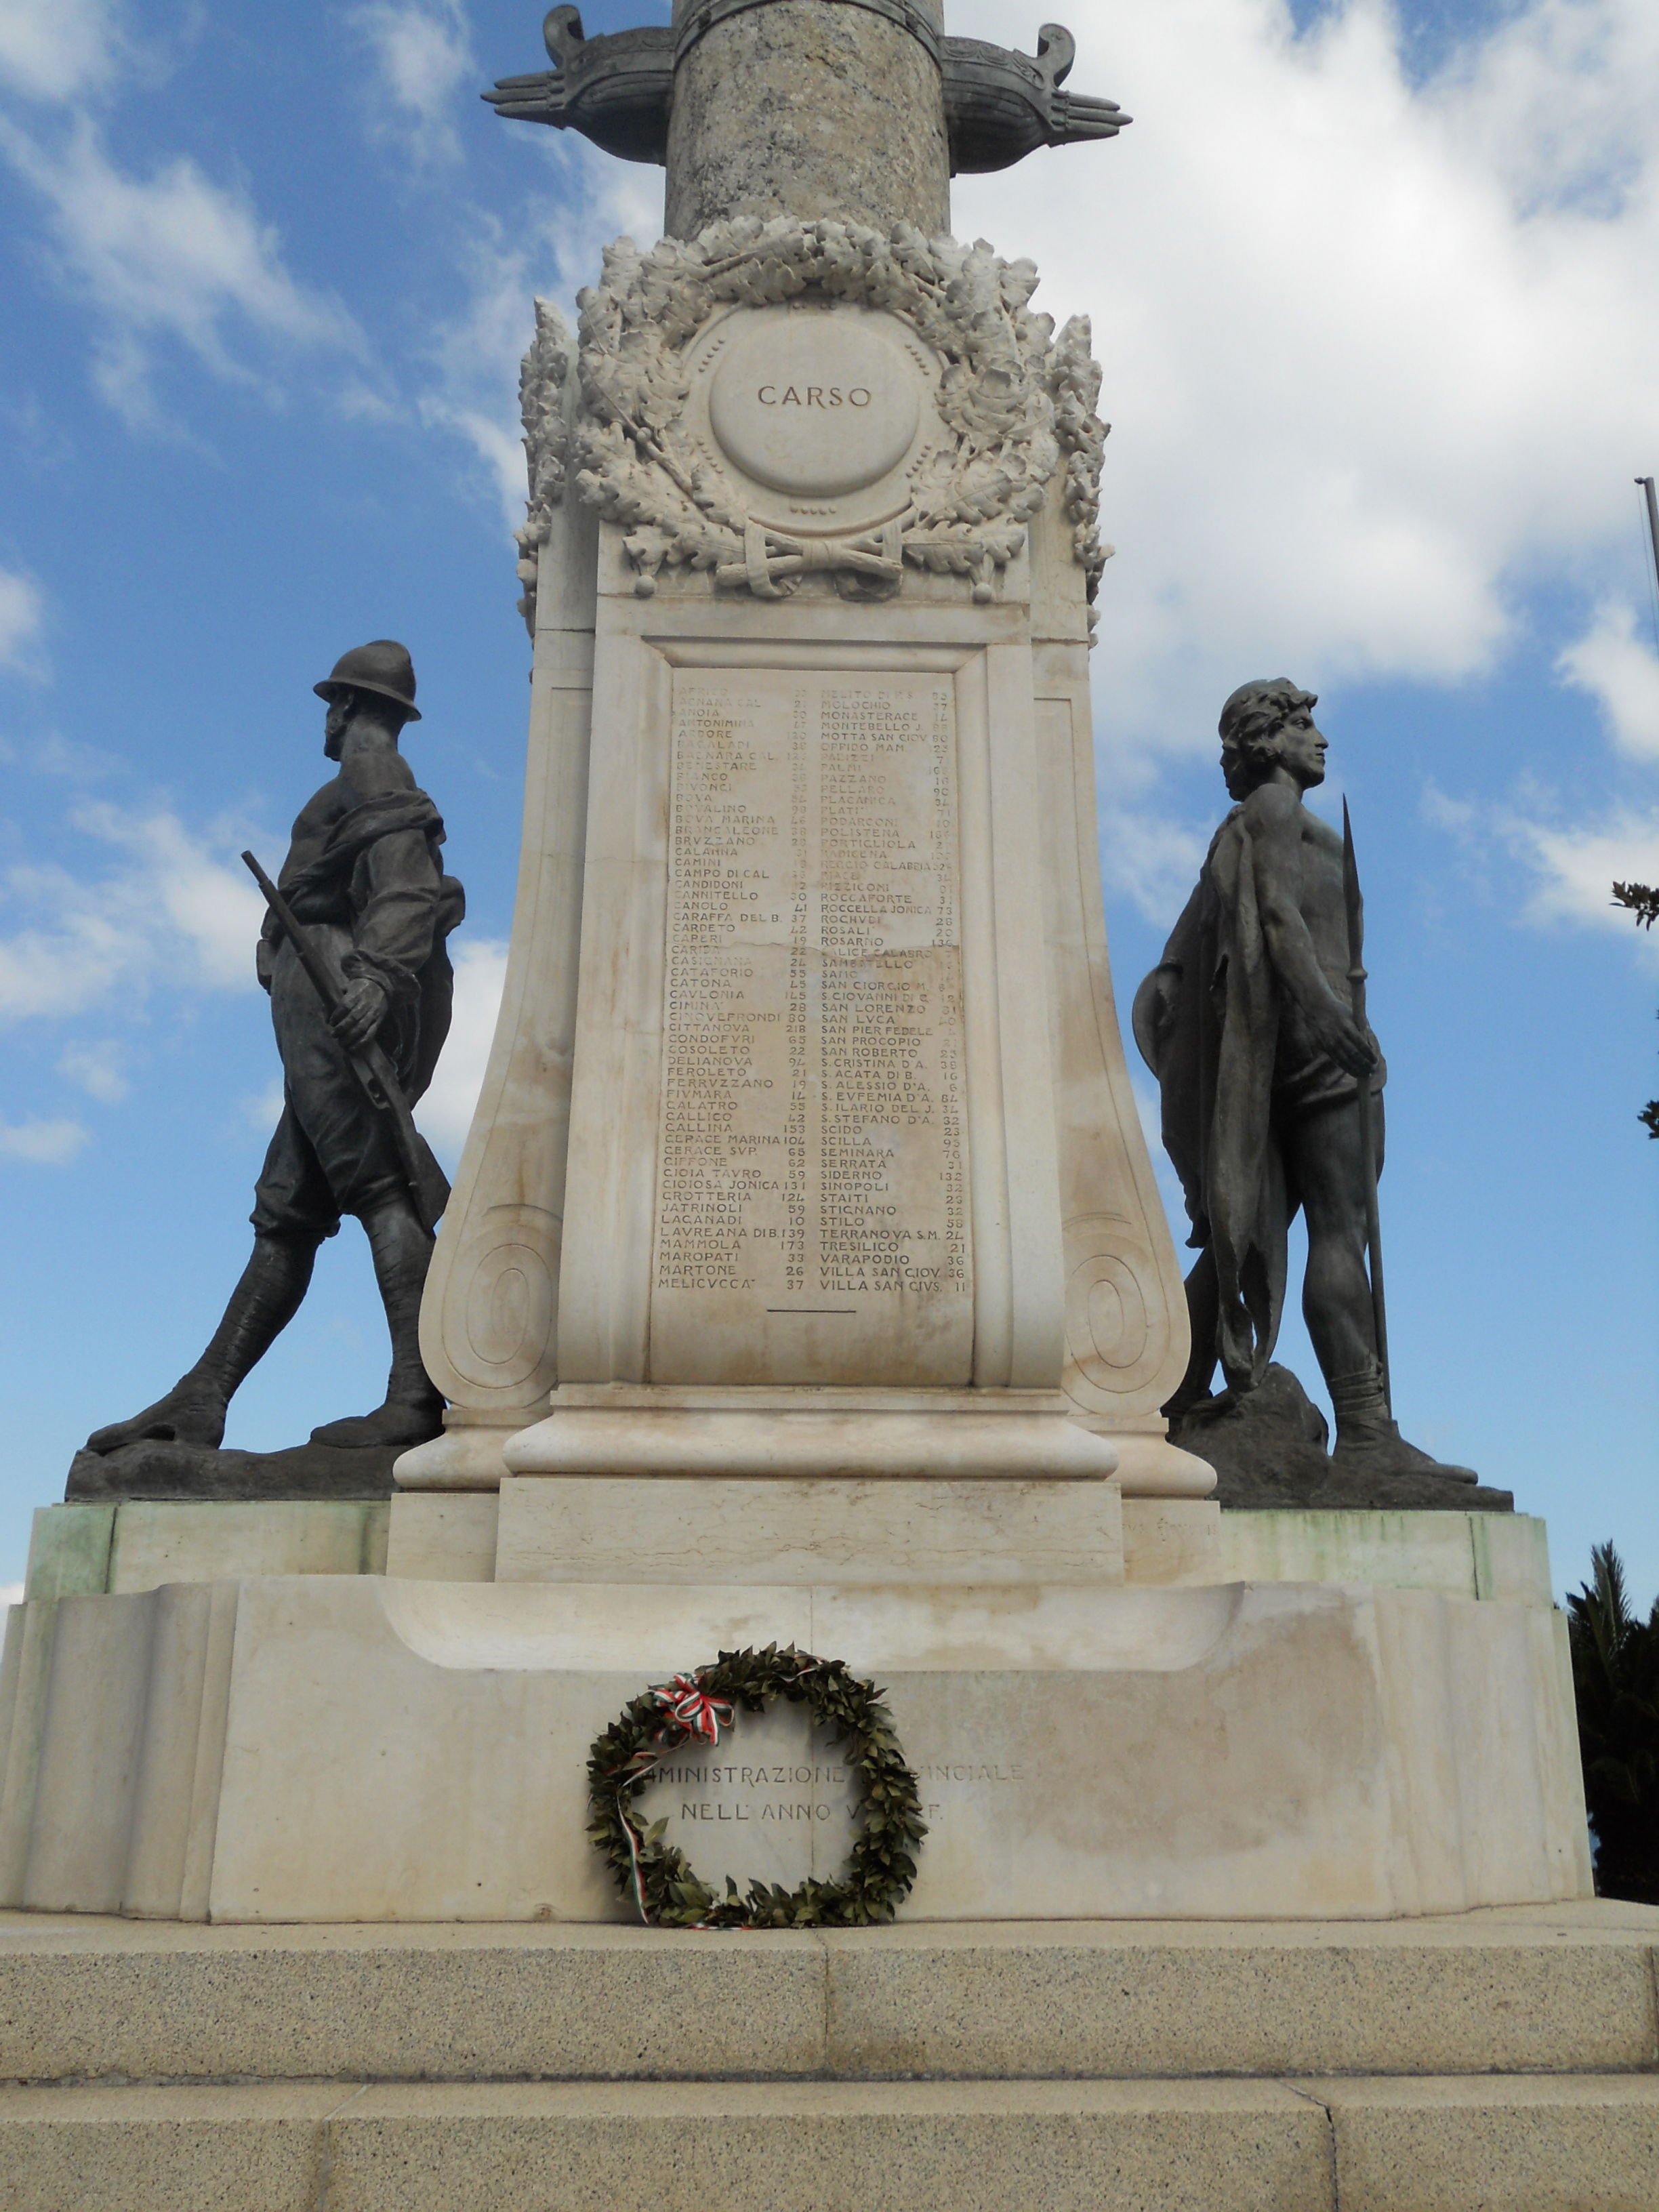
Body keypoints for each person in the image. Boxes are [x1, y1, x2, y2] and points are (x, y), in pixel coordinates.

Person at [85, 640, 464, 1460]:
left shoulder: (375, 774)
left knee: (381, 1189)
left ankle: (417, 1395)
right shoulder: (357, 782)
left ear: (352, 708)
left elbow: (407, 888)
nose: (327, 720)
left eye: (335, 704)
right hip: (318, 1008)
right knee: (289, 1213)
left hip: (335, 1005)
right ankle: (204, 1396)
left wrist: (370, 981)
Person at [1132, 677, 1471, 1481]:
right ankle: (1366, 1430)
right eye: (1303, 723)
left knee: (1243, 1236)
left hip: (1289, 1041)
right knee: (1339, 1227)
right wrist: (1326, 1016)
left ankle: (1156, 1399)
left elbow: (1185, 962)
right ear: (1266, 740)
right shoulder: (1274, 813)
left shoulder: (1250, 825)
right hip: (1315, 1042)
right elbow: (1278, 919)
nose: (1320, 737)